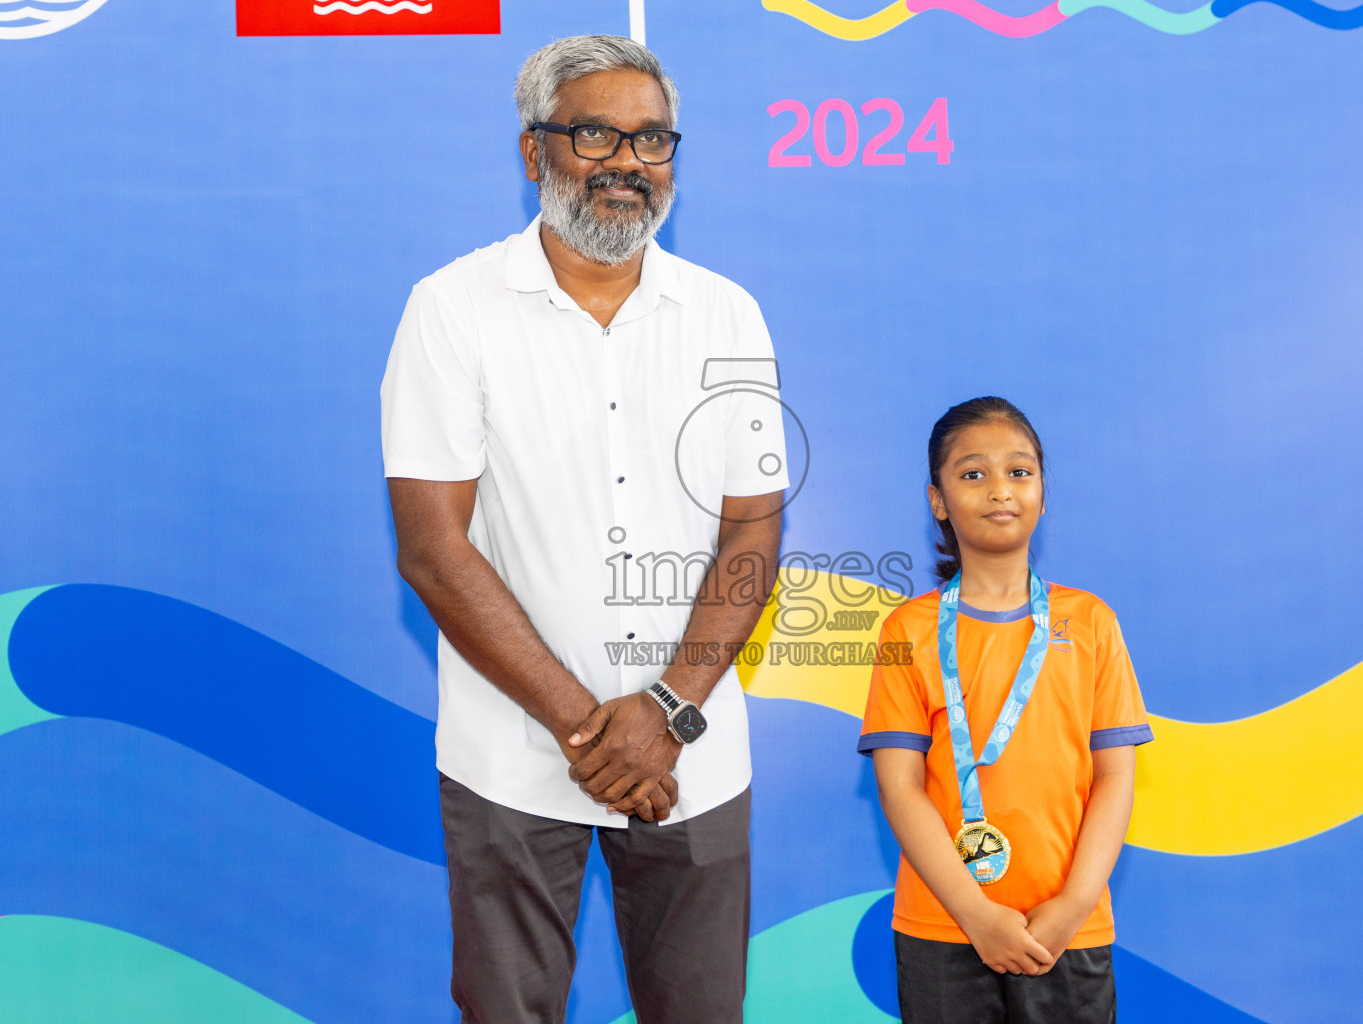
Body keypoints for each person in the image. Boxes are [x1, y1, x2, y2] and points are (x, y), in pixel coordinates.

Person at [380, 35, 788, 1024]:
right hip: (511, 758)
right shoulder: (450, 309)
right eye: (596, 134)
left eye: (653, 142)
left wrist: (668, 714)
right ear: (534, 153)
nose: (628, 165)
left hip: (692, 757)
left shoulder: (728, 315)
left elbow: (753, 533)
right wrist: (587, 728)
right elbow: (435, 549)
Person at [859, 397, 1152, 1024]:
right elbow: (900, 787)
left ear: (1044, 493)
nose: (1000, 490)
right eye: (972, 474)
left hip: (1067, 929)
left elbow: (1116, 776)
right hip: (944, 924)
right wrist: (976, 913)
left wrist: (1073, 905)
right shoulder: (908, 630)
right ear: (937, 500)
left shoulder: (1091, 623)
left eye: (1019, 472)